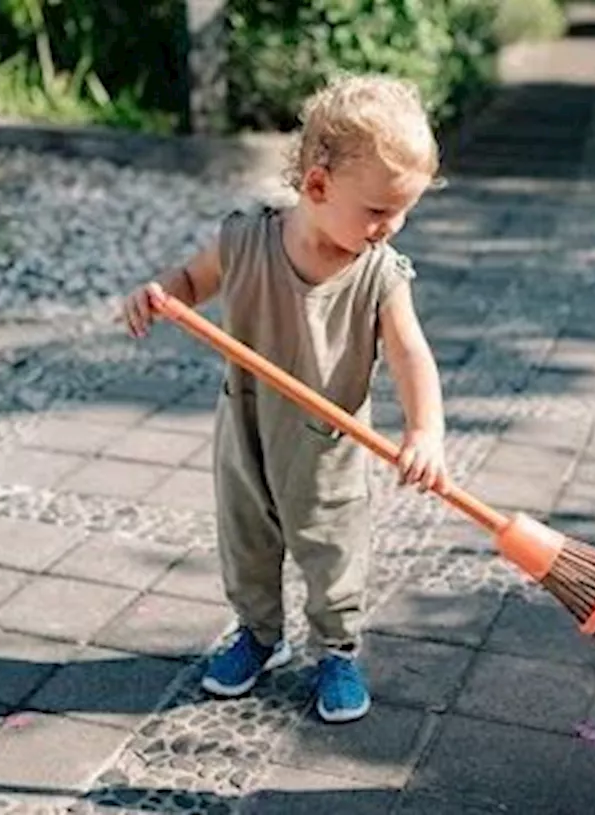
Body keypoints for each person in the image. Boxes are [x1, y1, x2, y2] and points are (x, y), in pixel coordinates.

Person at [120, 73, 449, 724]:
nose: (392, 226)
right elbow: (189, 279)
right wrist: (158, 295)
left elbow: (412, 353)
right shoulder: (245, 241)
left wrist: (426, 430)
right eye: (379, 210)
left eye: (402, 210)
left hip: (327, 447)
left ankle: (336, 650)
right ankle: (257, 633)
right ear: (318, 187)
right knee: (246, 541)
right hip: (245, 430)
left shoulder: (379, 273)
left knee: (332, 551)